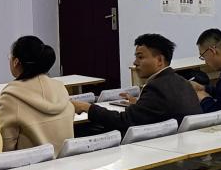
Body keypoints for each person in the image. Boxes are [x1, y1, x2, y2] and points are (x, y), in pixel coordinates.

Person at [72, 34, 201, 135]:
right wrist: (140, 104)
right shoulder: (182, 82)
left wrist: (87, 108)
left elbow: (124, 121)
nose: (135, 62)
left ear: (159, 60)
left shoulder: (156, 87)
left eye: (140, 57)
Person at [0, 36, 74, 152]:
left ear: (16, 62)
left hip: (32, 163)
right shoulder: (61, 88)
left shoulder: (10, 98)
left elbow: (5, 147)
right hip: (66, 160)